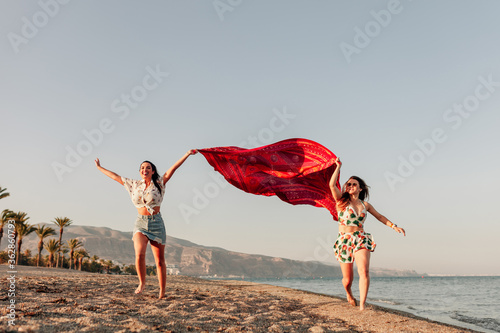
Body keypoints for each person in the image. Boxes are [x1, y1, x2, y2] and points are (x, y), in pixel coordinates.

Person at [95, 149, 197, 299]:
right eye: (142, 168)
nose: (145, 169)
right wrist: (99, 167)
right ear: (140, 171)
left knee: (160, 261)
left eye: (148, 167)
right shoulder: (133, 184)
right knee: (139, 254)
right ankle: (142, 283)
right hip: (140, 223)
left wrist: (187, 154)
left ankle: (162, 293)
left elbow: (174, 168)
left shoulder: (160, 183)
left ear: (153, 171)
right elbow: (115, 176)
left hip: (157, 223)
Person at [329, 158, 405, 310]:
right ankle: (349, 293)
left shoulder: (365, 205)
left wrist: (394, 226)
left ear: (360, 188)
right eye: (348, 184)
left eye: (353, 184)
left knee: (364, 270)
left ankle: (362, 305)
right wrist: (338, 167)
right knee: (347, 279)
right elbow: (331, 185)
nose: (350, 186)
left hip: (361, 239)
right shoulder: (341, 202)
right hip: (344, 241)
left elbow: (380, 216)